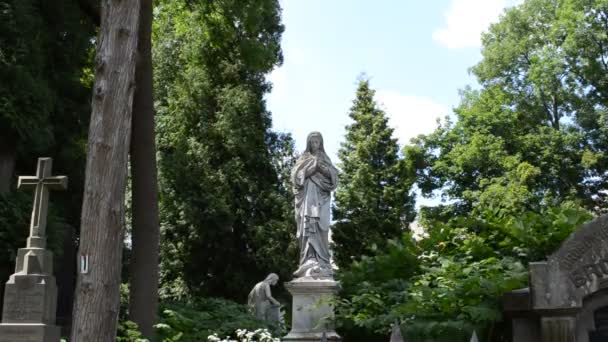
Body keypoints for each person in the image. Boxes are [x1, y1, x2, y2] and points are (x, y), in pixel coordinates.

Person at [290, 132, 338, 278]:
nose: (314, 144)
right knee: (307, 228)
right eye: (312, 142)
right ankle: (307, 261)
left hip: (321, 200)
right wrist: (311, 168)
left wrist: (322, 168)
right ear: (308, 143)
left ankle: (322, 262)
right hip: (307, 199)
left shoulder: (325, 159)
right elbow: (296, 178)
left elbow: (334, 178)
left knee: (321, 229)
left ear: (321, 143)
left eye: (317, 142)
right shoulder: (303, 158)